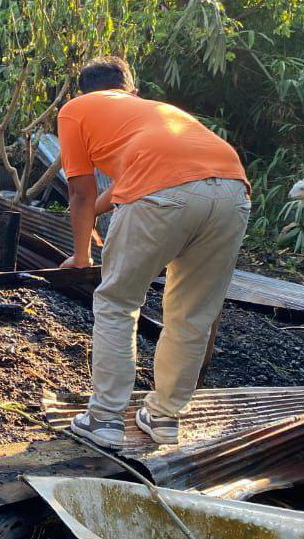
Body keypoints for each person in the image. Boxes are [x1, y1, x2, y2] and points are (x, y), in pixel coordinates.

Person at [57, 58, 250, 448]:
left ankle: (105, 419)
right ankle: (164, 417)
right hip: (232, 191)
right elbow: (131, 184)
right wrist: (95, 216)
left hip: (161, 194)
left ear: (84, 91)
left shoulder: (76, 109)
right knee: (193, 314)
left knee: (117, 302)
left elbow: (80, 192)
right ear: (133, 91)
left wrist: (80, 256)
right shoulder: (156, 112)